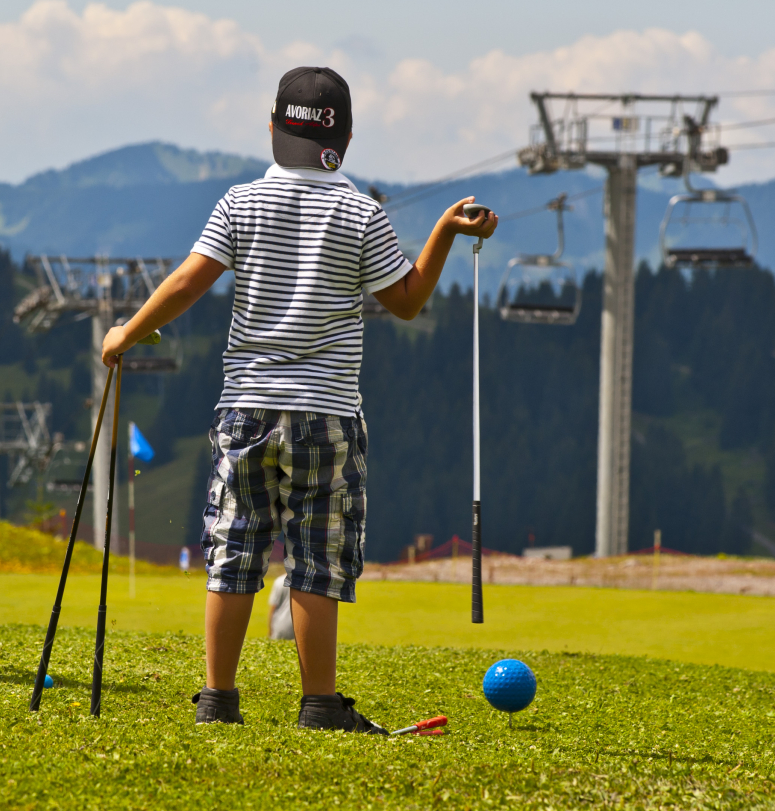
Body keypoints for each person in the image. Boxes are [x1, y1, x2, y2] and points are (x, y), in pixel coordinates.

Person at [99, 66, 497, 732]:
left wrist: (125, 335)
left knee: (234, 550)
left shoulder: (240, 203)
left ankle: (217, 699)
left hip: (247, 408)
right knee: (316, 555)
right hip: (328, 414)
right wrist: (445, 233)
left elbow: (187, 281)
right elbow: (407, 302)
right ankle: (319, 704)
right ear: (343, 134)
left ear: (275, 127)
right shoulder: (361, 212)